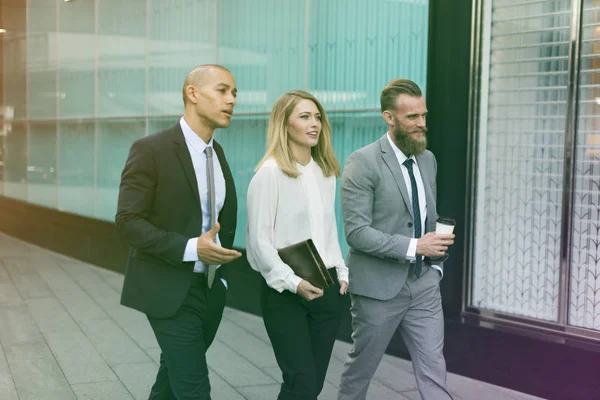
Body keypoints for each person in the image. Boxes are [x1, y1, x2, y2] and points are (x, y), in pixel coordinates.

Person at [115, 64, 241, 400]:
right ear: (192, 93)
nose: (231, 100)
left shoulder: (217, 154)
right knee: (194, 388)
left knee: (171, 381)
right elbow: (128, 221)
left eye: (234, 94)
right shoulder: (150, 149)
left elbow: (222, 220)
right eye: (222, 90)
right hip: (168, 290)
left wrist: (222, 281)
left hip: (210, 290)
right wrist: (191, 249)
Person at [337, 79, 455, 400]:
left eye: (423, 115)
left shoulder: (427, 159)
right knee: (360, 372)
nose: (422, 124)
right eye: (412, 117)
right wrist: (416, 247)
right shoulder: (362, 162)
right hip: (378, 290)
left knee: (434, 371)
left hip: (424, 285)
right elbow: (357, 233)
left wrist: (435, 267)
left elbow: (426, 216)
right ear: (389, 118)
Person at [246, 90, 349, 400]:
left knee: (312, 385)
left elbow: (329, 232)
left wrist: (342, 272)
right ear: (284, 124)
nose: (314, 123)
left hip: (327, 290)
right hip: (285, 294)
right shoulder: (269, 175)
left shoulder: (326, 173)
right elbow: (259, 244)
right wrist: (293, 282)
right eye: (304, 116)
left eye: (317, 117)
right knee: (300, 381)